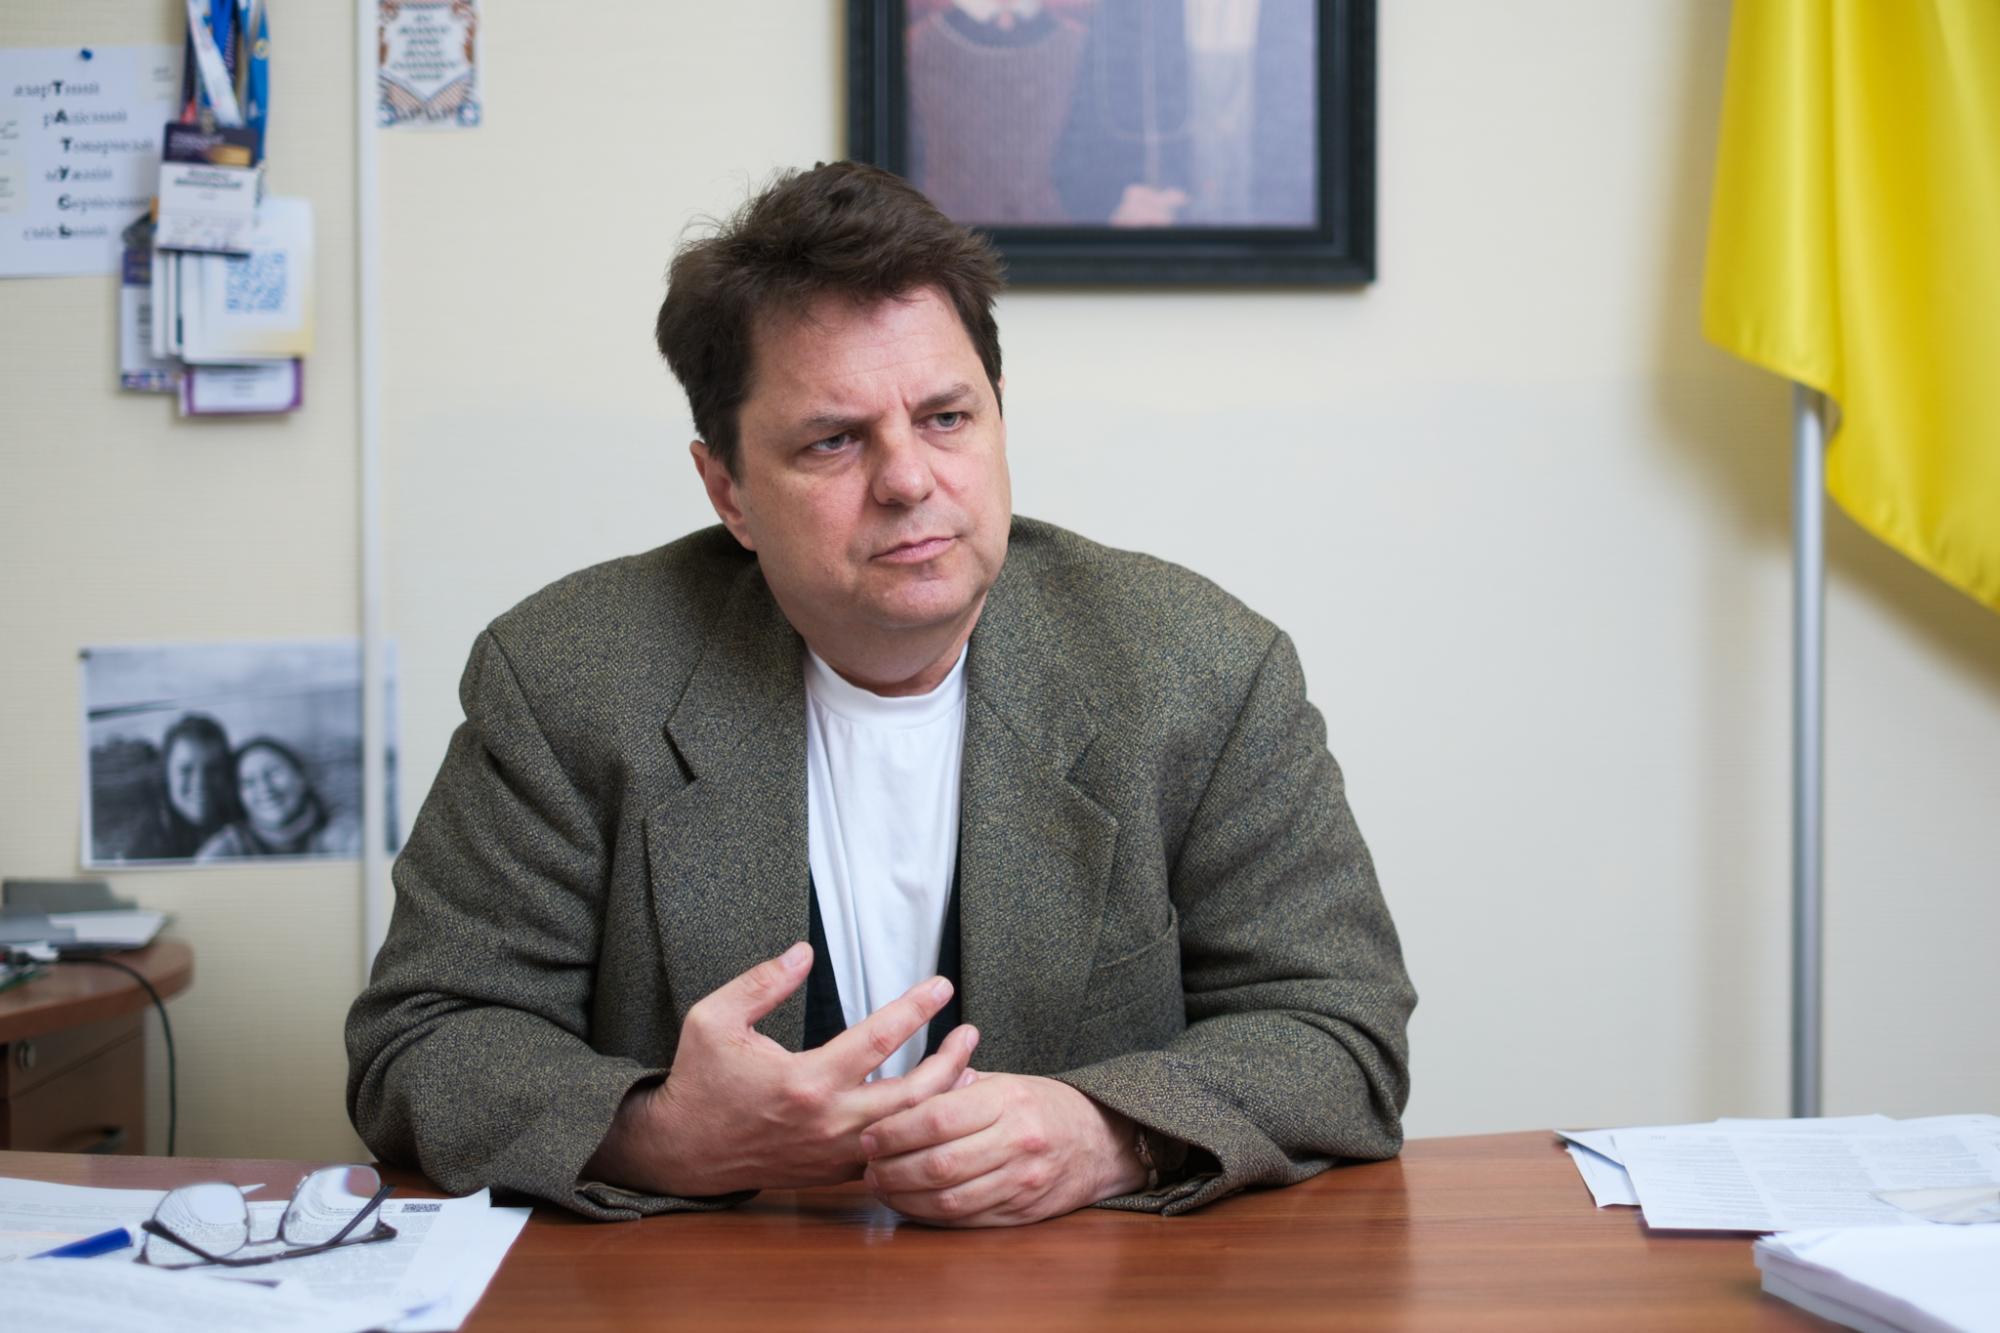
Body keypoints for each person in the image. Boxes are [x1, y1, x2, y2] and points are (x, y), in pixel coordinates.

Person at [346, 161, 1414, 1227]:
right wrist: (662, 1133)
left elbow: (1339, 1027)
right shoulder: (567, 676)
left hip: (1082, 1288)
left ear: (999, 418)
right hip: (715, 1289)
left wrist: (1106, 1135)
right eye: (834, 439)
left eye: (946, 418)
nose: (907, 480)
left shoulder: (1202, 667)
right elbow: (423, 1041)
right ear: (729, 491)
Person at [196, 738, 361, 861]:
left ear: (301, 777)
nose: (264, 788)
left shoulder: (344, 832)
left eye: (273, 772)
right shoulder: (226, 850)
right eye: (249, 782)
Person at [121, 713, 236, 861]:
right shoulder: (145, 850)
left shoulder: (243, 824)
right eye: (185, 770)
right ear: (165, 774)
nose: (200, 782)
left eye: (213, 769)